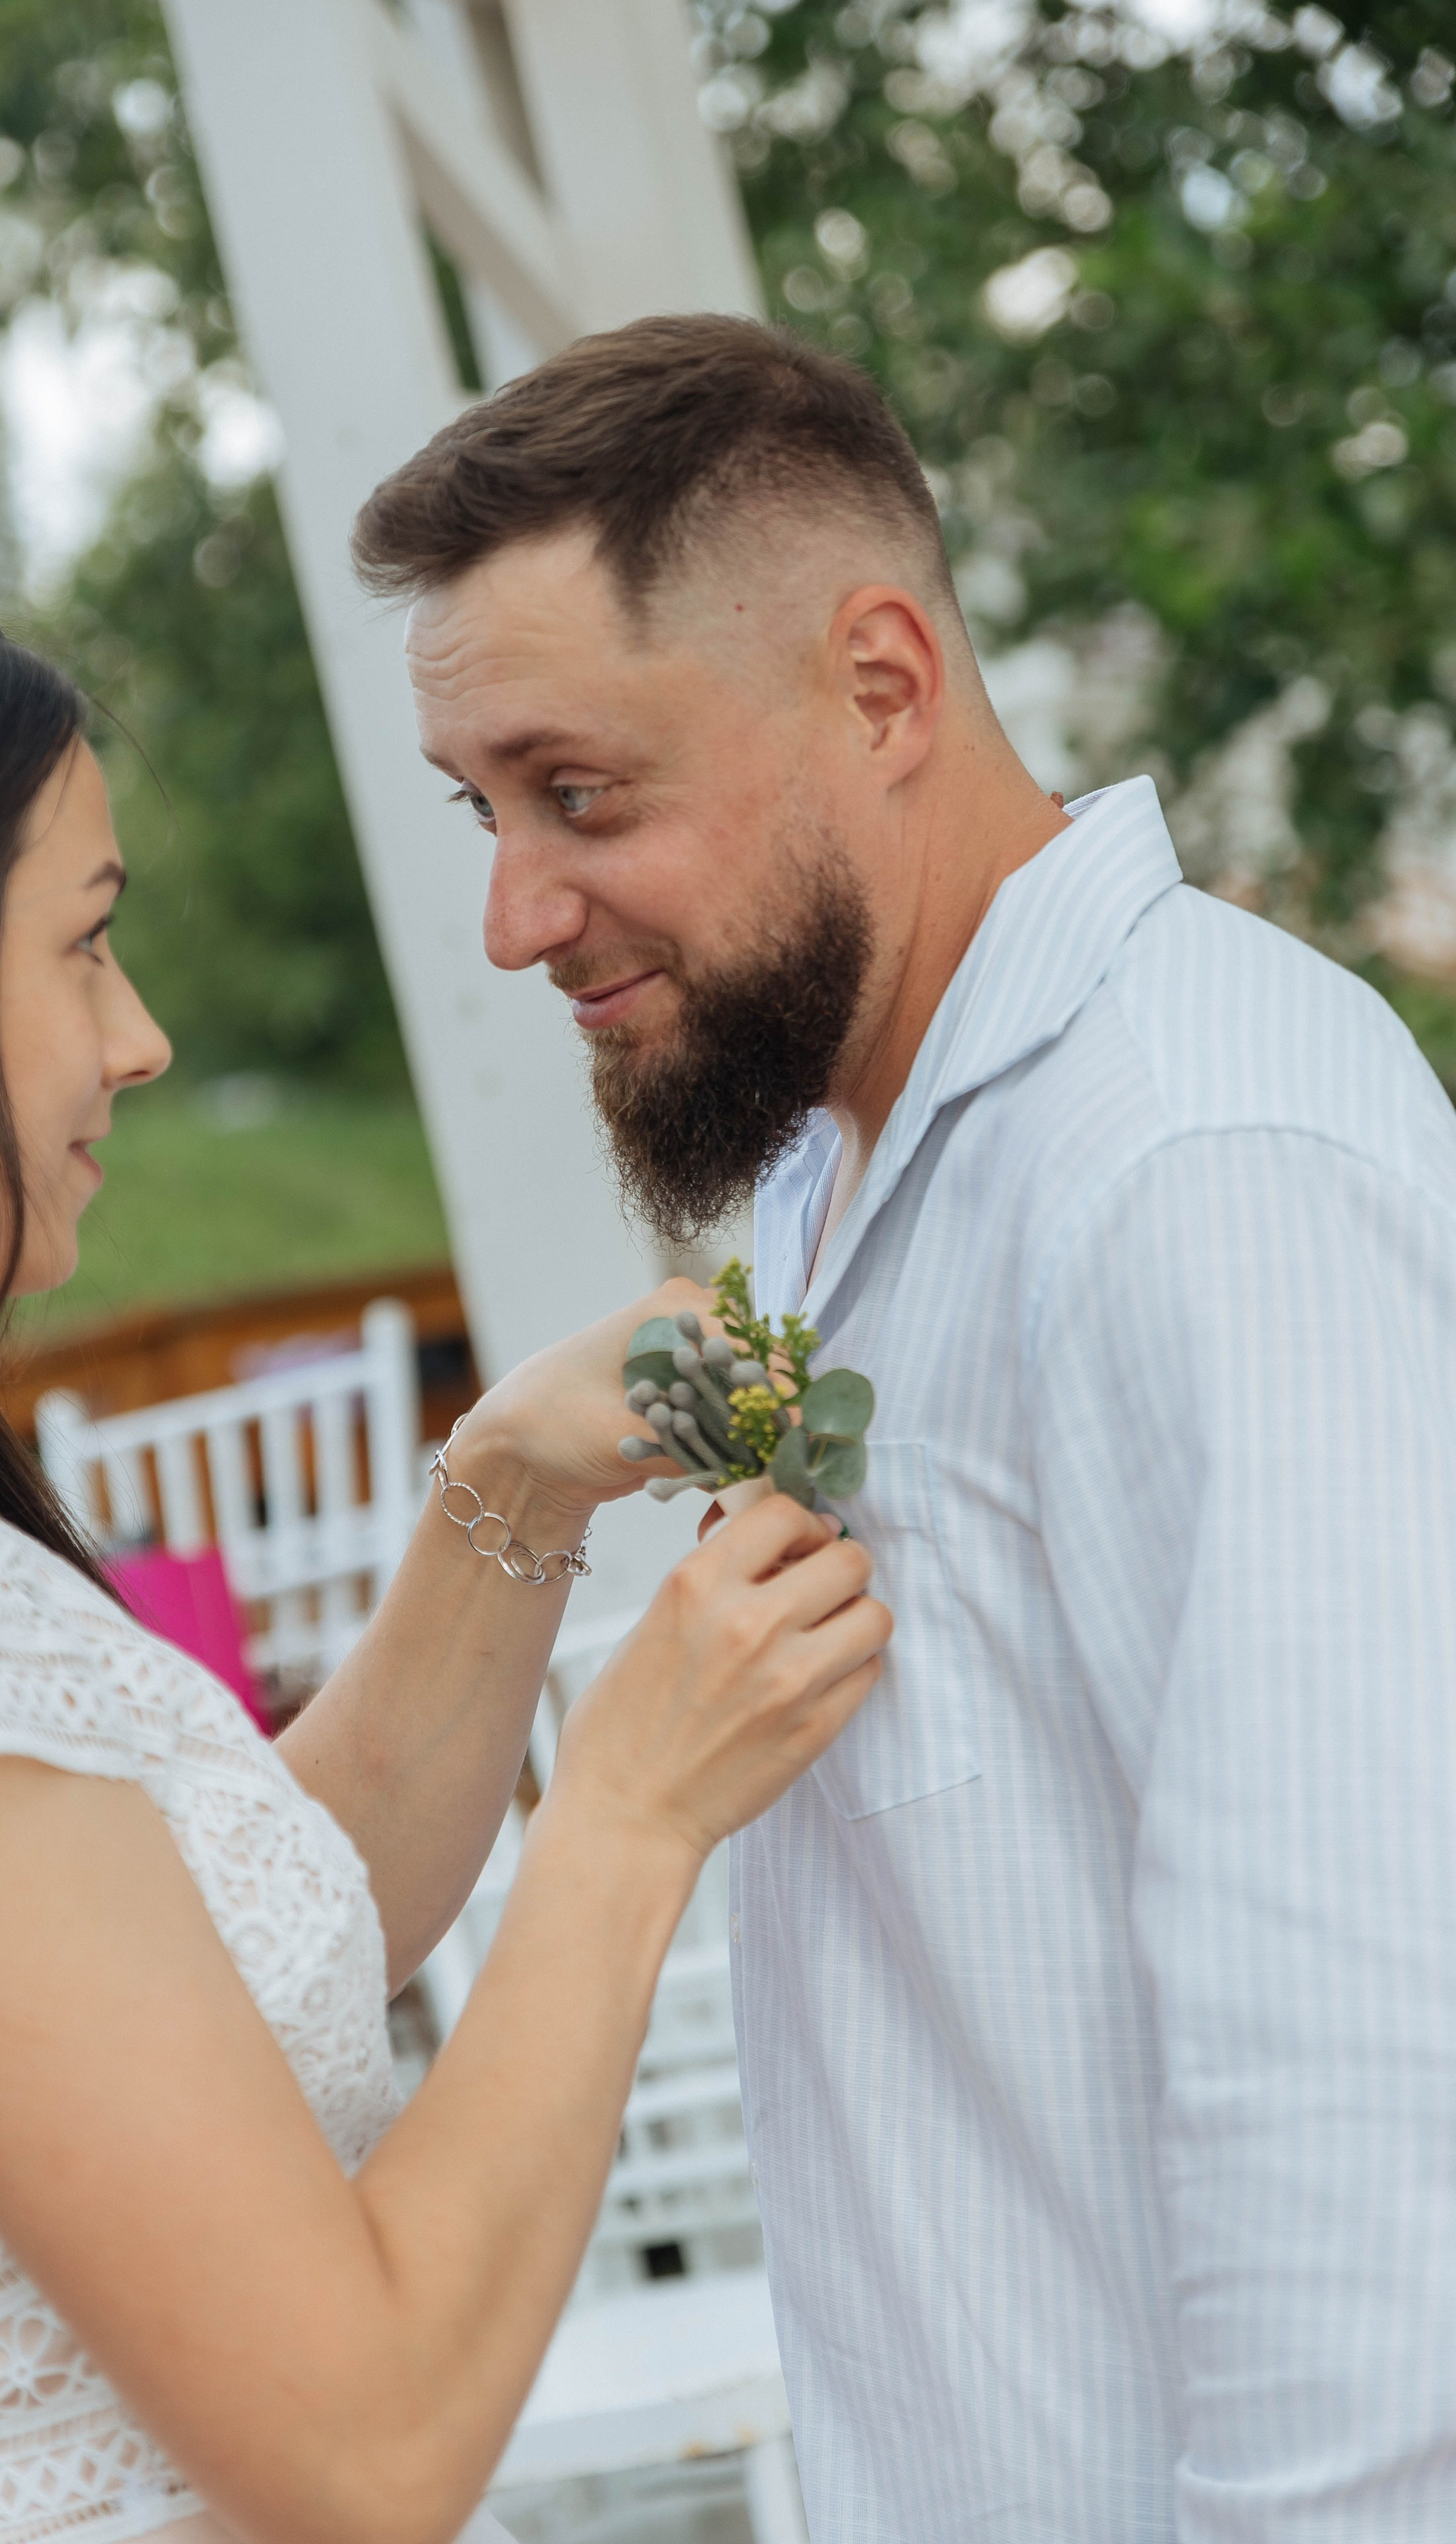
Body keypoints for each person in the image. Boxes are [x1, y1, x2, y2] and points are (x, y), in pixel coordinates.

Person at [354, 312, 1456, 2541]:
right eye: (484, 810)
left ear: (879, 686)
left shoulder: (1200, 1157)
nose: (512, 916)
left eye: (582, 794)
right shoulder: (823, 1162)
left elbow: (1367, 2090)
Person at [0, 576, 894, 2544]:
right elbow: (359, 2451)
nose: (140, 1038)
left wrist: (510, 1487)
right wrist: (629, 1816)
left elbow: (242, 1955)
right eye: (84, 945)